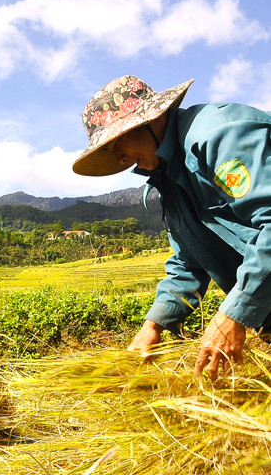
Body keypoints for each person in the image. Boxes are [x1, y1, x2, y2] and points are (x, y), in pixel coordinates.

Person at [72, 75, 271, 380]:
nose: (121, 158)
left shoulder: (218, 137)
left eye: (118, 142)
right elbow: (187, 264)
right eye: (112, 152)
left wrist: (234, 313)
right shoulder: (168, 182)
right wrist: (153, 325)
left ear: (151, 119)